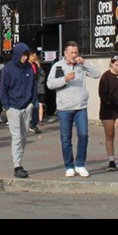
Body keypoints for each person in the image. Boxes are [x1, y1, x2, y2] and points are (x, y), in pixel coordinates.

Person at [46, 41, 100, 178]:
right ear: (65, 53)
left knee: (83, 135)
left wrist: (85, 63)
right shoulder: (58, 66)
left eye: (76, 53)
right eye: (72, 53)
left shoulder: (81, 65)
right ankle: (69, 166)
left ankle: (80, 164)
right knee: (66, 138)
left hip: (81, 106)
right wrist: (65, 79)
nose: (74, 55)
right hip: (65, 107)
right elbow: (50, 84)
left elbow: (97, 74)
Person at [0, 42, 37, 178]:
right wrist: (7, 106)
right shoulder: (8, 69)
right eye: (23, 55)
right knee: (16, 136)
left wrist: (32, 103)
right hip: (13, 107)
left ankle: (19, 161)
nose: (26, 58)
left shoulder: (29, 68)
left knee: (24, 135)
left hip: (26, 106)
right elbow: (3, 89)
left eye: (27, 55)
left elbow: (33, 86)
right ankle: (17, 165)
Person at [28, 50, 45, 134]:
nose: (34, 57)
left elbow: (42, 75)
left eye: (35, 56)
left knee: (36, 107)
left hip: (35, 89)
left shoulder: (35, 65)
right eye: (32, 56)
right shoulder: (26, 66)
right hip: (28, 89)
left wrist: (39, 66)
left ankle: (33, 124)